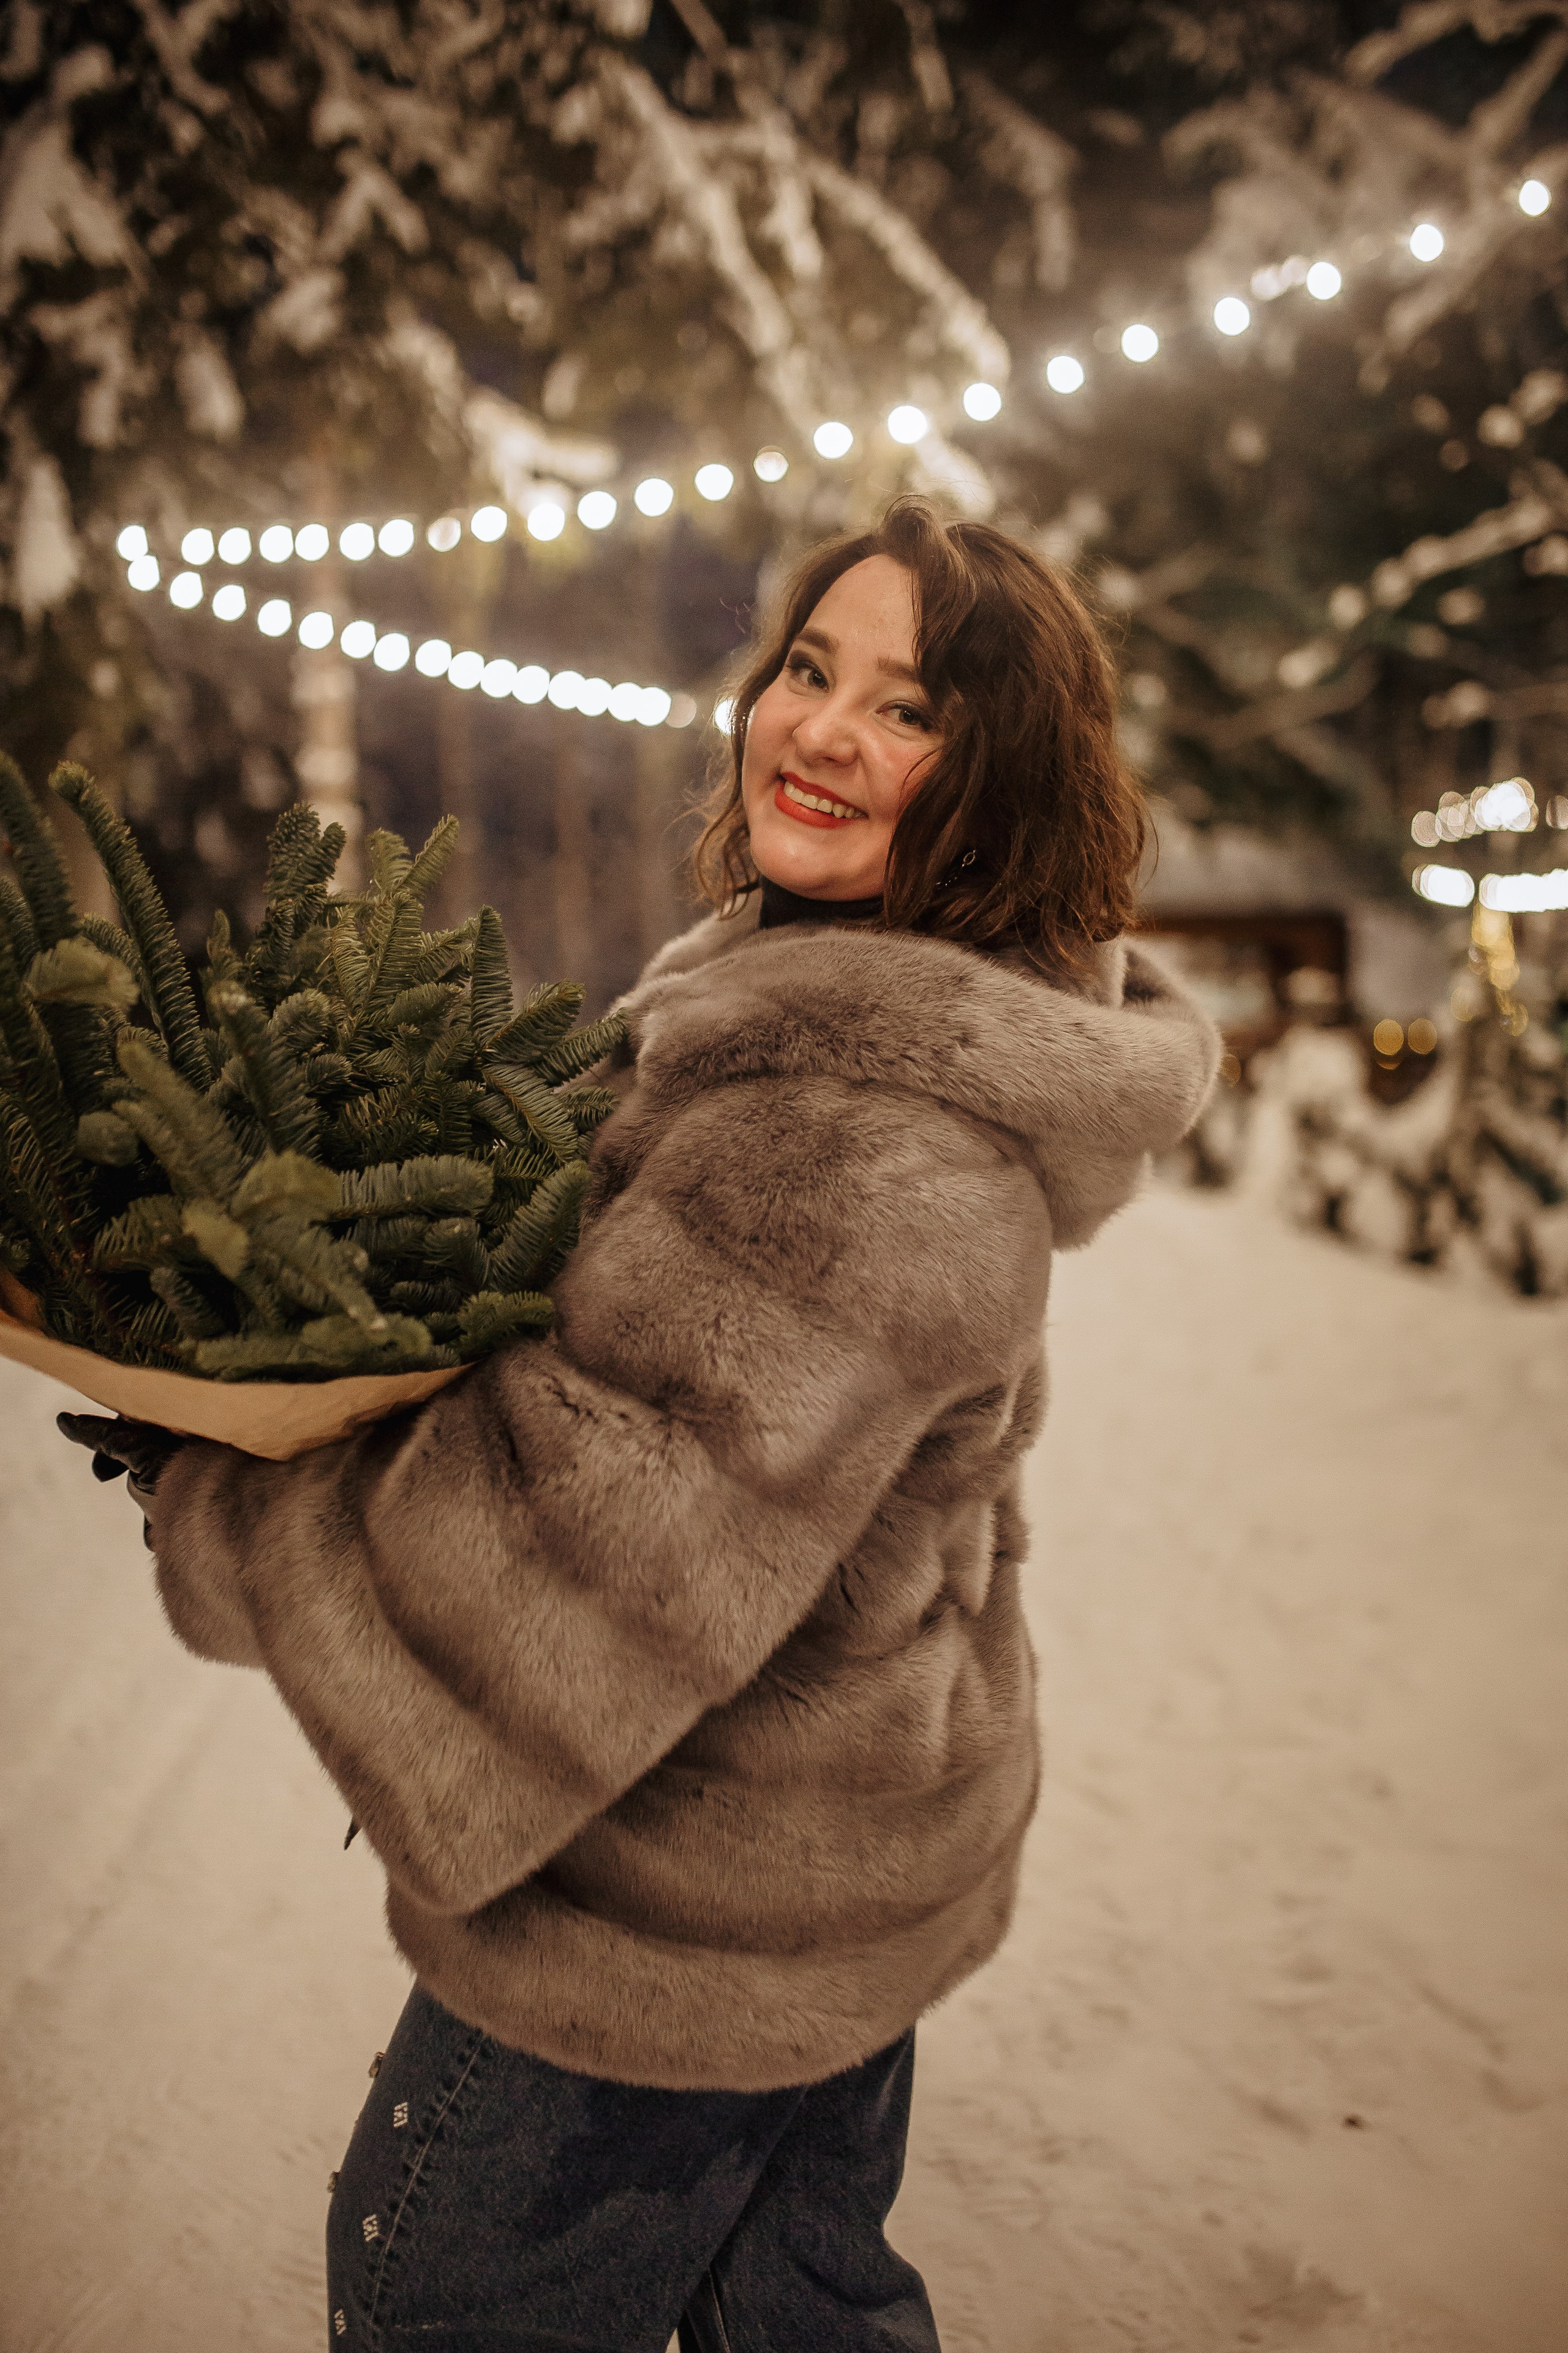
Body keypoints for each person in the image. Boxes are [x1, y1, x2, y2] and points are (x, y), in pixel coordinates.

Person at [70, 496, 1218, 2351]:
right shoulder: (831, 1023)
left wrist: (234, 1499)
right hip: (826, 1888)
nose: (825, 731)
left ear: (999, 784)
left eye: (911, 709)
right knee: (803, 2317)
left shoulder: (853, 1141)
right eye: (809, 669)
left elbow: (565, 1565)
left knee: (440, 2297)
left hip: (669, 1943)